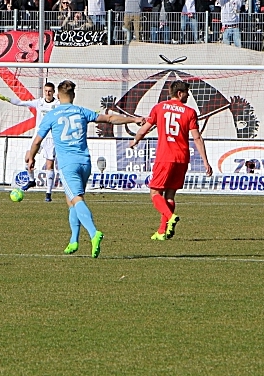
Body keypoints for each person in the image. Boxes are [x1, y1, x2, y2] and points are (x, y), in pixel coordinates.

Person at [25, 80, 144, 258]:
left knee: (77, 199)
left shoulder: (51, 115)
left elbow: (37, 141)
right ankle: (74, 240)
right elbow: (110, 118)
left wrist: (31, 157)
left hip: (67, 165)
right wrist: (134, 119)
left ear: (57, 96)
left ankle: (94, 233)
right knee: (70, 200)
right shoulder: (81, 111)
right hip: (85, 163)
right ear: (73, 95)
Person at [128, 81, 213, 241]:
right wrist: (205, 161)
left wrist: (135, 140)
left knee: (154, 193)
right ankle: (162, 231)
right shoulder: (190, 112)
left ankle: (170, 217)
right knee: (170, 195)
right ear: (180, 93)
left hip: (164, 157)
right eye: (187, 93)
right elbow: (197, 137)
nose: (188, 95)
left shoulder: (159, 108)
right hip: (182, 158)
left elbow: (145, 129)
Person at [0, 82, 59, 201]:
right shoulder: (39, 102)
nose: (48, 93)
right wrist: (7, 99)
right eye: (46, 91)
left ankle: (48, 194)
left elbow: (69, 109)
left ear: (53, 92)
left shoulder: (58, 104)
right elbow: (21, 103)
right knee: (27, 158)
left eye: (50, 91)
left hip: (50, 136)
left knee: (49, 165)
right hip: (38, 135)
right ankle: (31, 181)